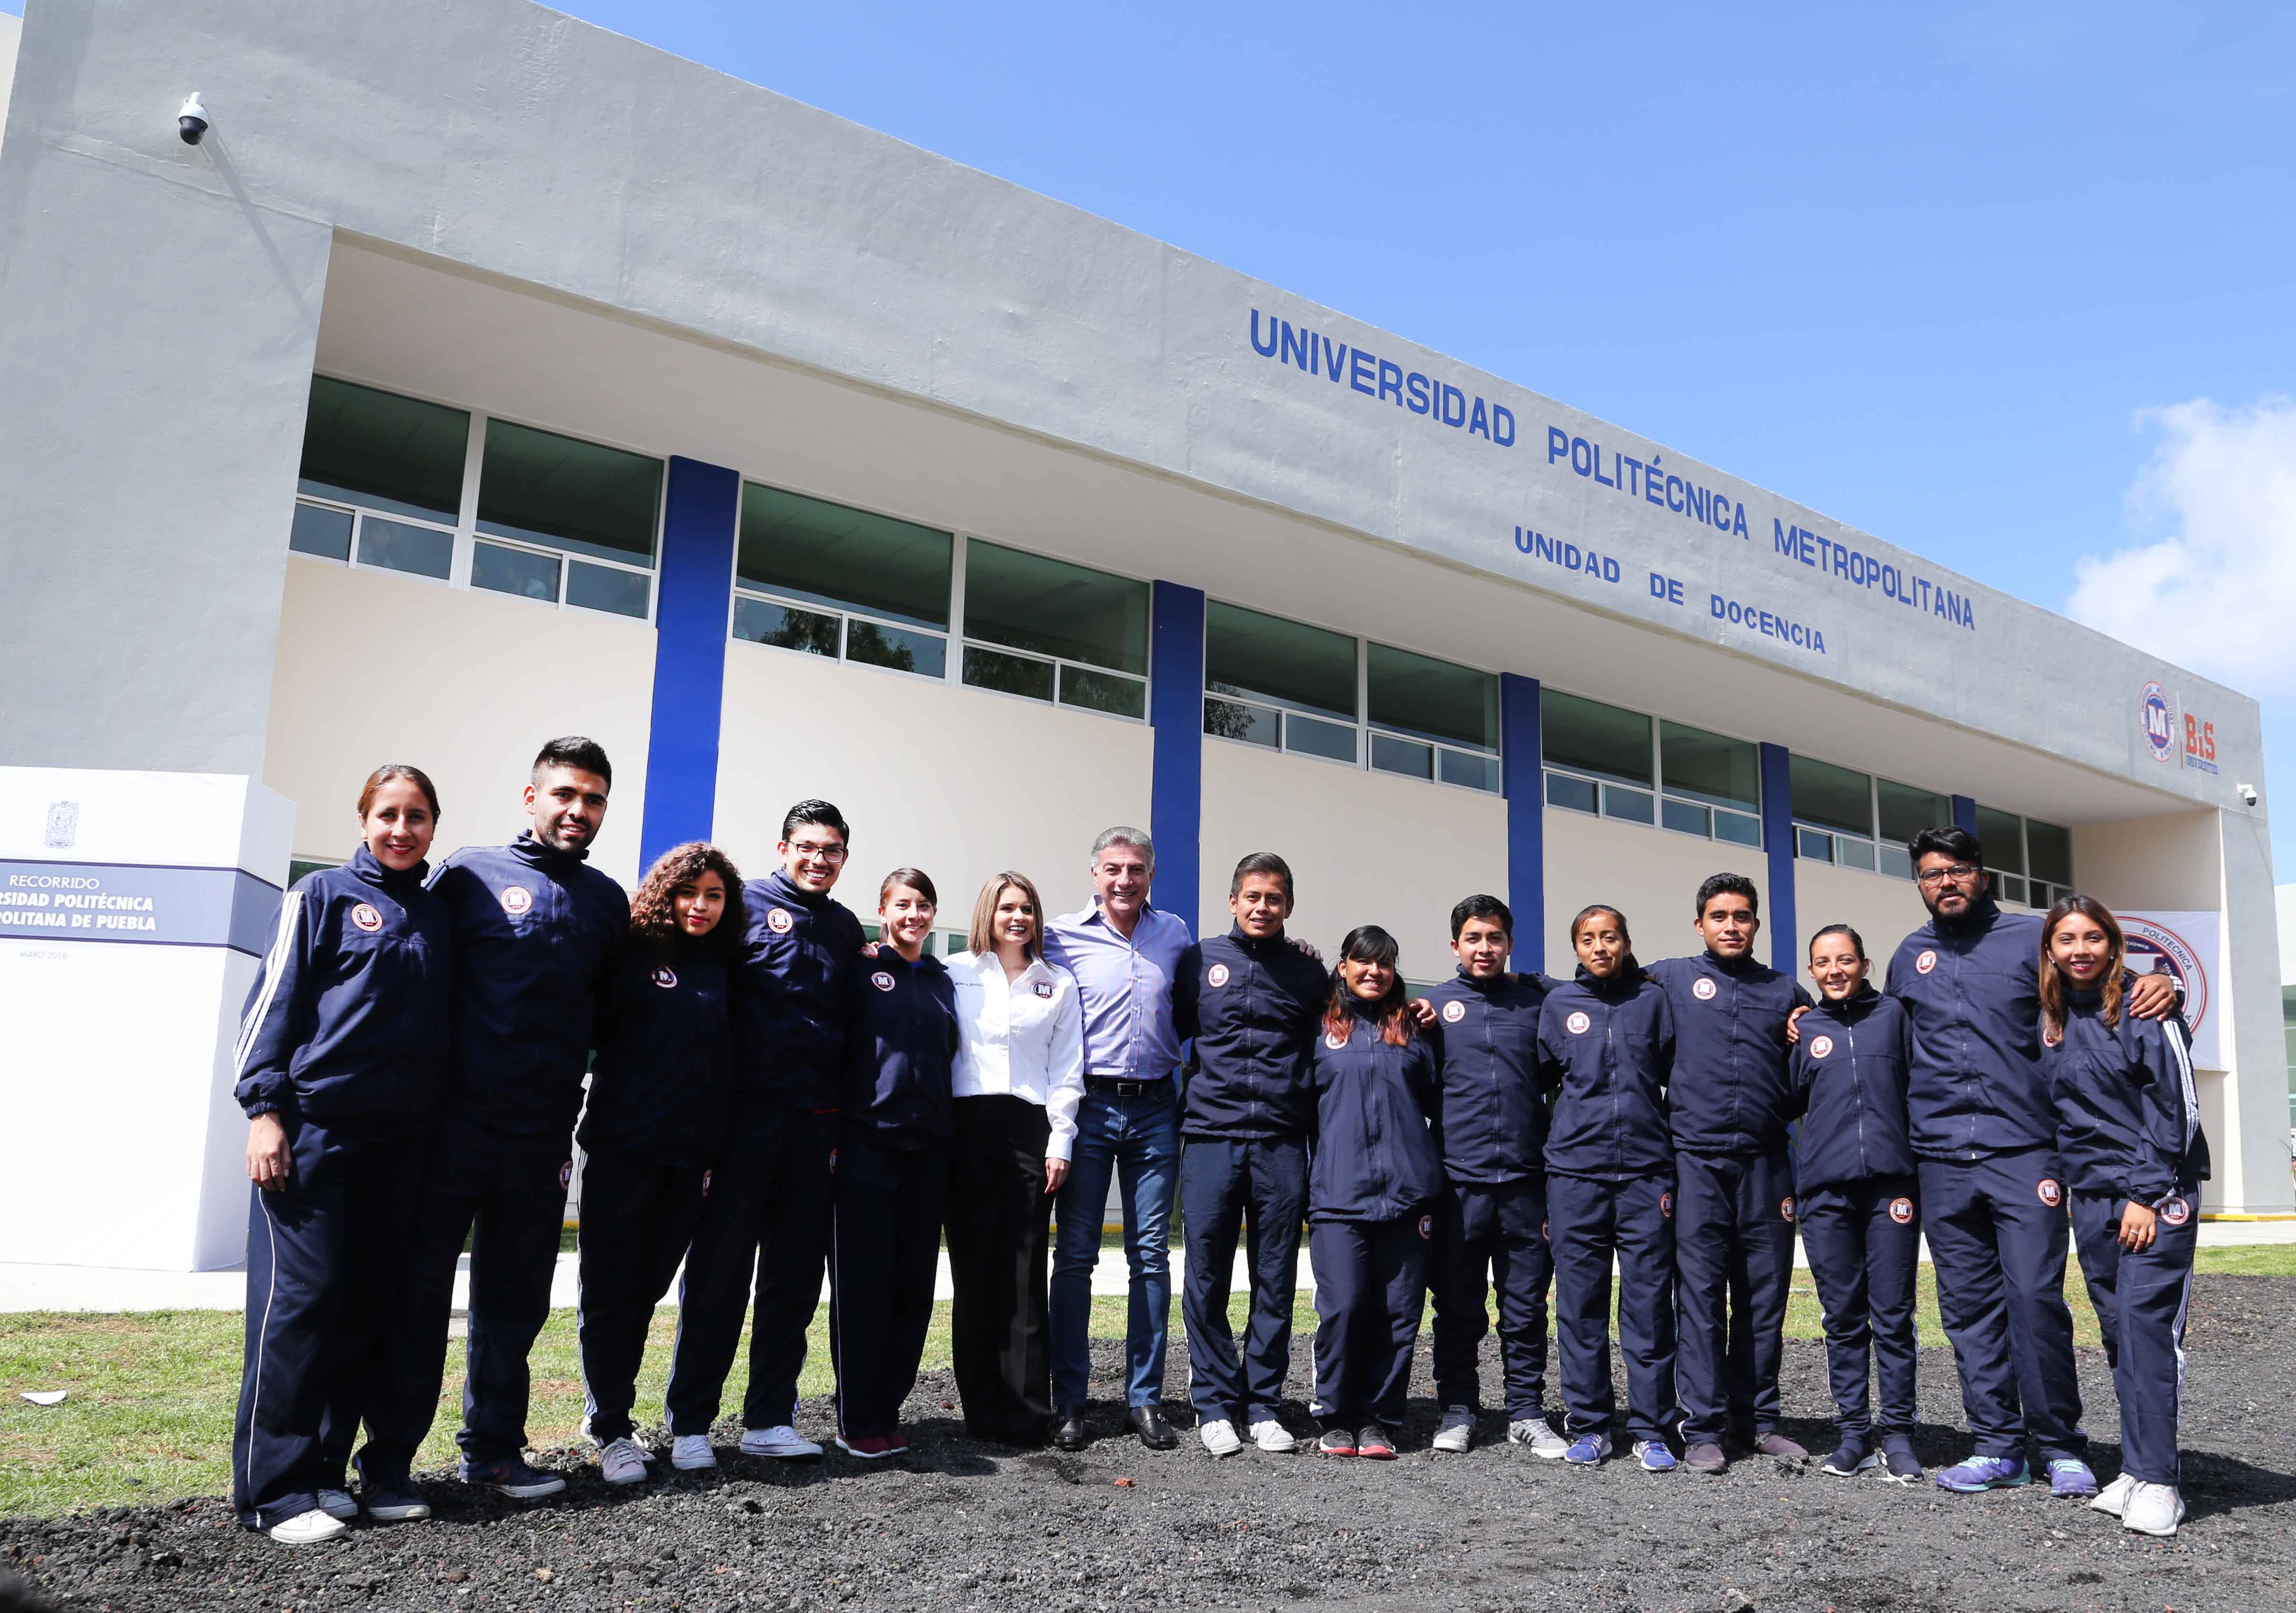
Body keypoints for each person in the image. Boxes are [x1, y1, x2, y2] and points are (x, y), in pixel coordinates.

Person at [1879, 826, 2176, 1497]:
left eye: (1957, 871)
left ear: (1981, 875)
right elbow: (1885, 1040)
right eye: (1932, 874)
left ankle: (2060, 1445)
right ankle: (1996, 1445)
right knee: (1966, 1306)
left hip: (2026, 1153)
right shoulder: (1909, 956)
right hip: (1941, 1158)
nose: (1946, 883)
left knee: (2035, 1298)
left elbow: (2097, 985)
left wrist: (2162, 987)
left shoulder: (2028, 942)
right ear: (1920, 885)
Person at [378, 738, 628, 1501]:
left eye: (592, 800)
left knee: (515, 1304)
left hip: (543, 1136)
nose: (577, 811)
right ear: (532, 797)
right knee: (418, 1299)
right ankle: (386, 1465)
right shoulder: (467, 876)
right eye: (564, 795)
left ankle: (491, 1452)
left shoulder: (606, 901)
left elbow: (615, 1019)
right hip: (454, 1129)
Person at [230, 765, 454, 1543]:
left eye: (417, 815)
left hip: (399, 1148)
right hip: (312, 1135)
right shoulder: (320, 895)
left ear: (433, 825)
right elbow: (272, 1005)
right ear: (364, 818)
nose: (402, 828)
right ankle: (272, 1490)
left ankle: (325, 1470)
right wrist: (264, 1112)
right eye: (388, 813)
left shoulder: (436, 912)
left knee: (363, 1309)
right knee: (301, 1304)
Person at [665, 801, 865, 1470]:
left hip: (814, 1132)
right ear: (782, 848)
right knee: (719, 1276)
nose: (818, 859)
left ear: (844, 857)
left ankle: (769, 1418)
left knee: (793, 1280)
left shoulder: (845, 929)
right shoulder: (742, 907)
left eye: (832, 849)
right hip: (742, 1126)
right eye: (807, 846)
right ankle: (692, 1422)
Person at [574, 842, 744, 1485]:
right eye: (689, 893)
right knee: (611, 1291)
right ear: (665, 894)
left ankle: (622, 1416)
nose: (699, 906)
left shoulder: (725, 966)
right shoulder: (631, 956)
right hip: (621, 1150)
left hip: (687, 1160)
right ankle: (610, 1428)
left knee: (645, 1293)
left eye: (714, 896)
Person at [2039, 897, 2209, 1538]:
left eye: (2091, 938)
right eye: (2066, 940)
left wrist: (2146, 1193)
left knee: (2147, 1331)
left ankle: (2162, 1484)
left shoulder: (2145, 1004)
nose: (2079, 950)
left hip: (2153, 1199)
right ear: (2051, 951)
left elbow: (2178, 1107)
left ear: (2113, 944)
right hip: (2094, 1201)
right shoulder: (2053, 1019)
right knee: (2117, 1334)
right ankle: (2137, 1470)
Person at [1646, 874, 1813, 1472]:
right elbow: (1602, 992)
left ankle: (1758, 1421)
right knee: (1699, 1299)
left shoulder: (1784, 990)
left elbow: (1807, 1073)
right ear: (1699, 925)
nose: (1731, 926)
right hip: (1694, 1163)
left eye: (1742, 916)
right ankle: (1704, 1429)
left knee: (1762, 1300)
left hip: (1767, 1165)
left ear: (1756, 925)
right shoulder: (1668, 979)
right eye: (1719, 916)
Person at [1173, 852, 1329, 1458]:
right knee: (1205, 1276)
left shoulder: (1309, 973)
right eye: (1253, 897)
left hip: (1282, 1143)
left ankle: (1263, 1403)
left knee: (1275, 1277)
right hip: (1211, 1137)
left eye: (1275, 898)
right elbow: (1173, 1029)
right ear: (1233, 901)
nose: (1263, 907)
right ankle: (1213, 1404)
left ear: (1288, 905)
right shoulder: (1200, 960)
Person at [1041, 827, 1190, 1452]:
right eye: (1113, 868)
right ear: (1094, 873)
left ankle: (1145, 1399)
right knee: (1075, 1259)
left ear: (1151, 874)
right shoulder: (1058, 936)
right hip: (1090, 1107)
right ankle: (1069, 1401)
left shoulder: (1175, 935)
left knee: (1151, 1258)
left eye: (1136, 869)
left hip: (1157, 1106)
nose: (1124, 879)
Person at [1419, 895, 1568, 1458]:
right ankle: (1458, 1408)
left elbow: (1596, 992)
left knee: (1526, 1307)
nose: (1485, 949)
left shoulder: (1539, 999)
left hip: (1528, 1184)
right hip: (1457, 1185)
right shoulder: (1431, 1008)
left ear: (1510, 944)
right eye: (1474, 938)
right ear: (1455, 944)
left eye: (1496, 938)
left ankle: (1526, 1412)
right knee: (1457, 1307)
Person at [945, 872, 1085, 1447]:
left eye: (1026, 908)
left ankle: (1028, 1412)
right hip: (967, 1127)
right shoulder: (953, 973)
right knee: (975, 1272)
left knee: (1025, 1273)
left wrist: (1060, 1141)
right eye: (1007, 907)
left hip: (1030, 1131)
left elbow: (1067, 1069)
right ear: (988, 913)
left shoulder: (1057, 984)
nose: (1018, 917)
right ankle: (981, 1412)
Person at [1539, 903, 1680, 1472]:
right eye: (1588, 939)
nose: (1600, 947)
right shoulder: (1558, 1005)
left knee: (1647, 1307)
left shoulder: (1652, 1002)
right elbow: (1541, 1080)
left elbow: (1674, 1071)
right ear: (1575, 948)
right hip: (1575, 1176)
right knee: (1580, 1308)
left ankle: (1650, 1430)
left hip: (1647, 1175)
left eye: (1610, 937)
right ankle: (1591, 1426)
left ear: (1625, 942)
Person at [828, 868, 962, 1458]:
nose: (914, 915)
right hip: (867, 1145)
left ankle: (889, 1408)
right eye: (903, 904)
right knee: (863, 1285)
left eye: (924, 905)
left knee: (913, 1286)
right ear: (883, 910)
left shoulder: (941, 980)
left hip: (929, 1148)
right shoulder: (859, 971)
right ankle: (856, 1417)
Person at [1786, 924, 1923, 1483]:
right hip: (1825, 1193)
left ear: (1864, 964)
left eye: (1845, 960)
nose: (1835, 970)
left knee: (1892, 1316)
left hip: (1892, 1188)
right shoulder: (1803, 1030)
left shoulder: (1895, 1017)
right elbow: (1787, 1099)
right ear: (1812, 972)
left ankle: (1899, 1435)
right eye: (1823, 962)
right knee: (1842, 1317)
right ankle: (1854, 1435)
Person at [1304, 926, 1444, 1459]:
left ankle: (1378, 1420)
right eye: (1362, 962)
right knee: (1343, 1307)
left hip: (1408, 1196)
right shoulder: (1319, 1027)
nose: (1373, 972)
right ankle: (1335, 1416)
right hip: (1339, 1196)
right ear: (1342, 967)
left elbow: (1438, 1101)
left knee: (1399, 1314)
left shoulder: (1413, 1026)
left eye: (1384, 963)